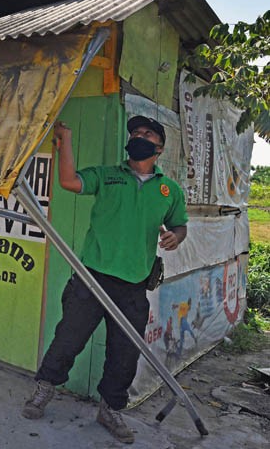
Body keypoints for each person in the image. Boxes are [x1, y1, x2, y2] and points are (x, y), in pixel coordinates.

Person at [21, 116, 188, 444]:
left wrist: (176, 237)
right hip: (92, 277)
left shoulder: (169, 191)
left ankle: (110, 409)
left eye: (147, 134)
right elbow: (69, 181)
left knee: (124, 353)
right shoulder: (108, 175)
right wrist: (65, 140)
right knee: (68, 339)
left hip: (134, 284)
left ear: (159, 148)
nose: (138, 136)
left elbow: (179, 224)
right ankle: (43, 390)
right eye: (135, 132)